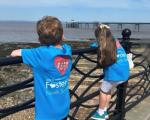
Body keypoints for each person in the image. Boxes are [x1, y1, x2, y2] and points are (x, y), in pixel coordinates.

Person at [11, 16, 72, 120]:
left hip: (47, 114)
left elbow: (14, 53)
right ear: (62, 36)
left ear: (39, 39)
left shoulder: (41, 54)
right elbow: (63, 45)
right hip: (63, 108)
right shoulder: (67, 50)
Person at [91, 24, 130, 120]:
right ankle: (105, 111)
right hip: (124, 74)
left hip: (114, 75)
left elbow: (95, 45)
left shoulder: (103, 44)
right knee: (108, 90)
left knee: (103, 91)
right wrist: (105, 29)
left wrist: (93, 45)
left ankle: (100, 113)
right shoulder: (115, 41)